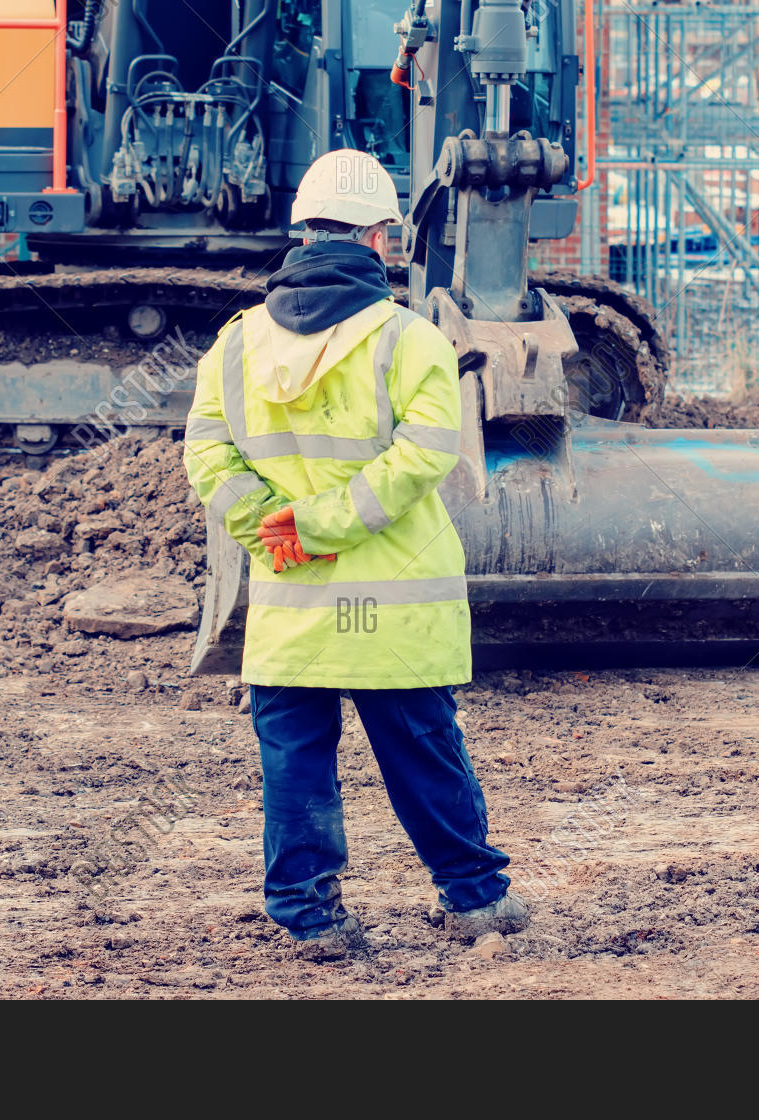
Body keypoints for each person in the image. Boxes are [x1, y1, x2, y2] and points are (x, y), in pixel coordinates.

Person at [182, 148, 527, 960]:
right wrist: (325, 522)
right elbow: (425, 456)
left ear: (303, 233)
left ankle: (309, 919)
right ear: (380, 240)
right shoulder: (410, 340)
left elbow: (207, 456)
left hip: (289, 610)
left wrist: (275, 524)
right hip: (394, 609)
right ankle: (474, 898)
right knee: (422, 753)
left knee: (296, 763)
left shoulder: (234, 346)